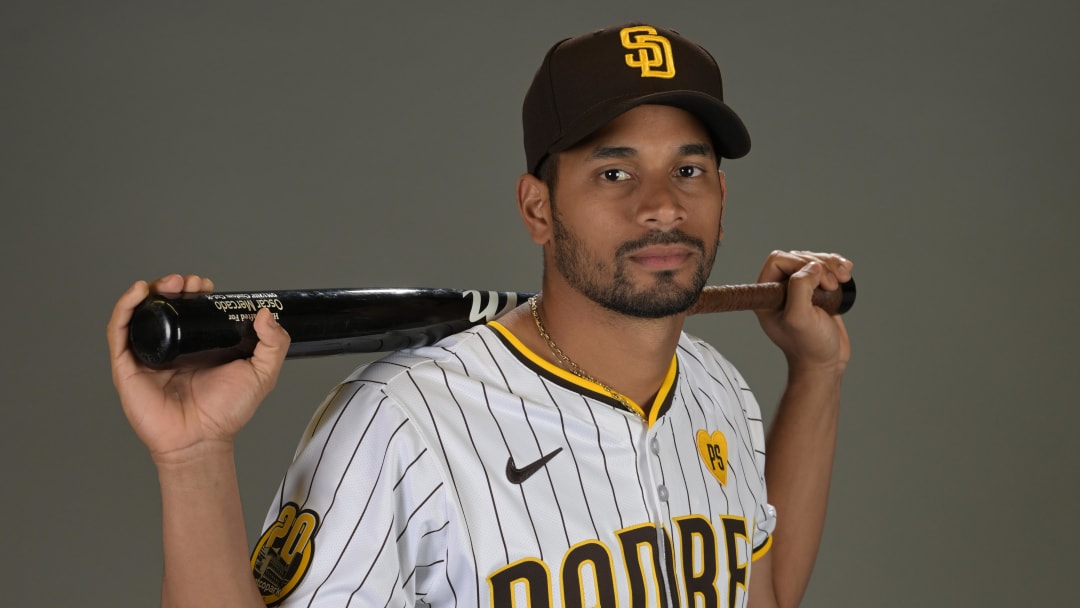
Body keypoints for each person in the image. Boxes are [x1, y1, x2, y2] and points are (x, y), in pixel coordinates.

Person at [107, 22, 852, 608]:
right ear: (538, 208)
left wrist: (816, 370)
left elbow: (767, 595)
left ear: (723, 199)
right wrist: (194, 459)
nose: (661, 206)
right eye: (614, 171)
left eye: (688, 170)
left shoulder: (718, 389)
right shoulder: (401, 420)